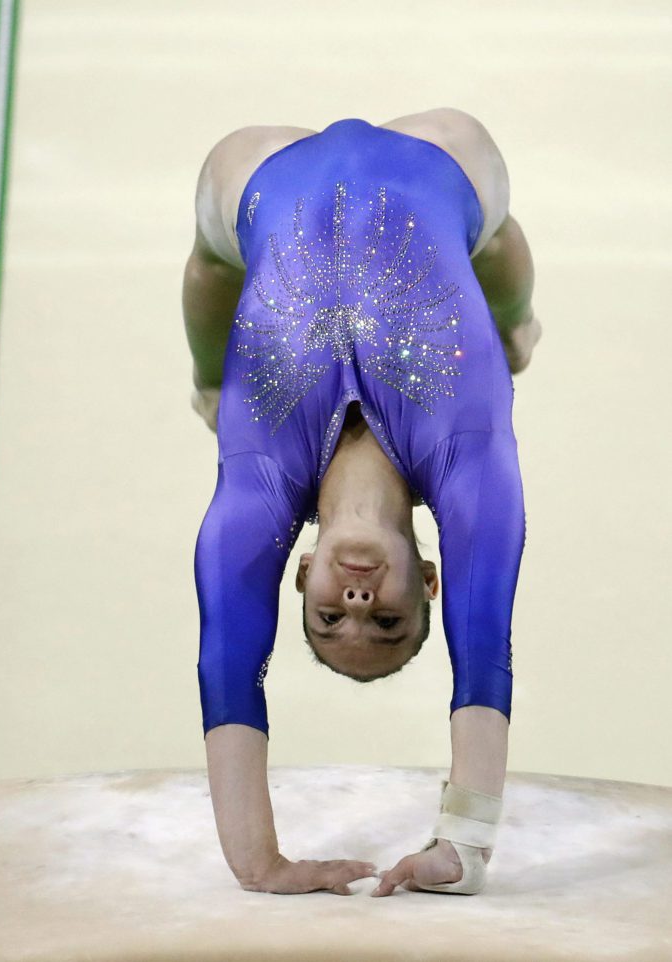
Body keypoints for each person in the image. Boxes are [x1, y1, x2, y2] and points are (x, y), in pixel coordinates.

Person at [183, 108, 541, 896]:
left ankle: (208, 375)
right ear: (431, 585)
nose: (356, 600)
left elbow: (227, 665)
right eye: (387, 619)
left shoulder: (259, 483)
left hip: (261, 168)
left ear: (301, 570)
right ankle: (517, 321)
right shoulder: (469, 468)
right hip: (437, 153)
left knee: (215, 260)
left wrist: (259, 863)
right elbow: (484, 652)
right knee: (492, 238)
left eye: (329, 615)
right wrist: (466, 843)